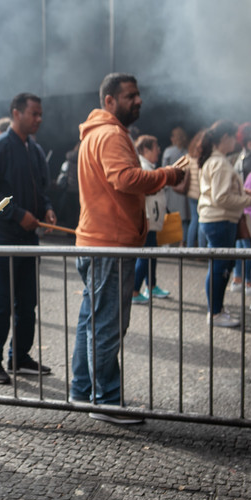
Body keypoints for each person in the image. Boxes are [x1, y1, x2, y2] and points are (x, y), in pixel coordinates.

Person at [71, 73, 183, 423]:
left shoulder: (98, 133)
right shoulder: (110, 134)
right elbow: (126, 179)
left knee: (91, 321)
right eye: (130, 96)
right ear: (109, 101)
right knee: (105, 326)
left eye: (138, 95)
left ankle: (82, 389)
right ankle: (105, 401)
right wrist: (168, 175)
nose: (138, 101)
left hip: (99, 243)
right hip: (109, 247)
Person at [0, 92, 56, 385]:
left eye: (40, 114)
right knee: (1, 304)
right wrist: (17, 213)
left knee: (27, 303)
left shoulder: (34, 149)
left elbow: (42, 190)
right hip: (2, 240)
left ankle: (19, 357)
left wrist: (46, 208)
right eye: (34, 113)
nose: (39, 119)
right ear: (16, 113)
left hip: (28, 240)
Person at [197, 120, 251, 328]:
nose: (235, 142)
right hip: (220, 219)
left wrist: (242, 194)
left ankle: (216, 309)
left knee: (219, 265)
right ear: (225, 138)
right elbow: (221, 198)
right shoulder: (220, 162)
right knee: (220, 266)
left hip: (214, 219)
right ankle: (215, 312)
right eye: (232, 138)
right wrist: (249, 200)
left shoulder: (213, 160)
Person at [132, 135, 171, 304]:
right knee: (145, 255)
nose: (159, 151)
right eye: (156, 148)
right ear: (145, 150)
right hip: (148, 218)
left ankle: (151, 285)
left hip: (152, 218)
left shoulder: (149, 167)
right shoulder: (143, 168)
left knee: (151, 254)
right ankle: (133, 291)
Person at [231, 122, 251, 293]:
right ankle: (247, 281)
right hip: (249, 206)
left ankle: (237, 278)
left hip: (241, 207)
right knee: (247, 247)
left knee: (241, 245)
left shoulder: (239, 158)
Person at [161, 127, 190, 245]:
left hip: (171, 188)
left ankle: (168, 241)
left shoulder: (168, 151)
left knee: (169, 215)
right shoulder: (187, 153)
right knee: (183, 219)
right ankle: (183, 243)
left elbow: (164, 169)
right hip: (182, 189)